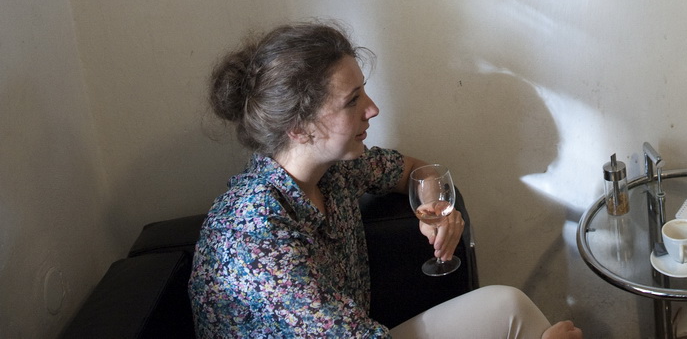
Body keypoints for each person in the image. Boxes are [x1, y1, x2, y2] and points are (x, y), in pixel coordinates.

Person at [188, 20, 583, 339]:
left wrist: (434, 210)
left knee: (510, 305)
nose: (372, 109)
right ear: (298, 128)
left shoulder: (334, 171)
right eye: (352, 101)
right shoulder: (255, 236)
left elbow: (416, 171)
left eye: (364, 92)